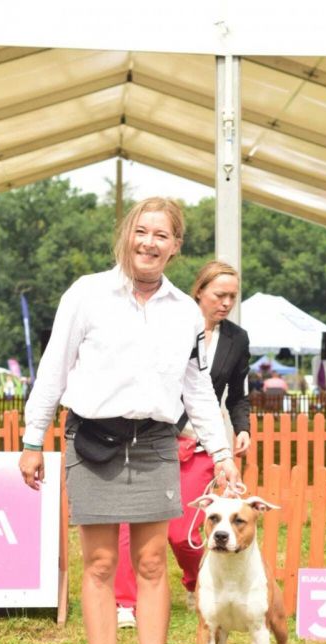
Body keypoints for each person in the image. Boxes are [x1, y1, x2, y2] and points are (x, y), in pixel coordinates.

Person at [18, 197, 240, 644]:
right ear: (127, 235)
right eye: (142, 231)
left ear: (175, 246)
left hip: (155, 442)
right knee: (98, 564)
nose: (149, 243)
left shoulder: (184, 312)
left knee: (152, 562)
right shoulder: (86, 294)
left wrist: (221, 452)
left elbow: (196, 388)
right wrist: (33, 439)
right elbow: (54, 368)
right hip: (92, 440)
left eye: (161, 235)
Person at [115, 260, 251, 622]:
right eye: (219, 295)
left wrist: (242, 427)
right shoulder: (170, 325)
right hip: (151, 438)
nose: (226, 303)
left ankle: (195, 582)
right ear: (199, 292)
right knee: (130, 523)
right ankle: (124, 603)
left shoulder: (236, 339)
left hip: (201, 445)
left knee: (182, 532)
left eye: (233, 296)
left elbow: (237, 394)